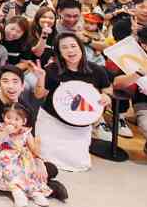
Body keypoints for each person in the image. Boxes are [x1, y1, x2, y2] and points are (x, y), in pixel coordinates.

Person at [30, 34, 110, 172]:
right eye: (64, 47)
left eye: (73, 46)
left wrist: (106, 96)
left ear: (81, 47)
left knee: (79, 163)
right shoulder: (52, 69)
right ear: (59, 52)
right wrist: (41, 78)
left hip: (80, 122)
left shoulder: (97, 70)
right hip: (52, 119)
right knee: (44, 159)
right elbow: (39, 95)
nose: (70, 51)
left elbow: (107, 89)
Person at [0, 103, 55, 207]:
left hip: (22, 157)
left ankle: (34, 192)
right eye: (8, 117)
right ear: (3, 117)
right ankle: (17, 192)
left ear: (24, 121)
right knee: (9, 168)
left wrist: (38, 144)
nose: (12, 122)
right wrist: (4, 133)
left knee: (29, 169)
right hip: (5, 155)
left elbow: (34, 150)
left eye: (17, 119)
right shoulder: (0, 128)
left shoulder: (26, 132)